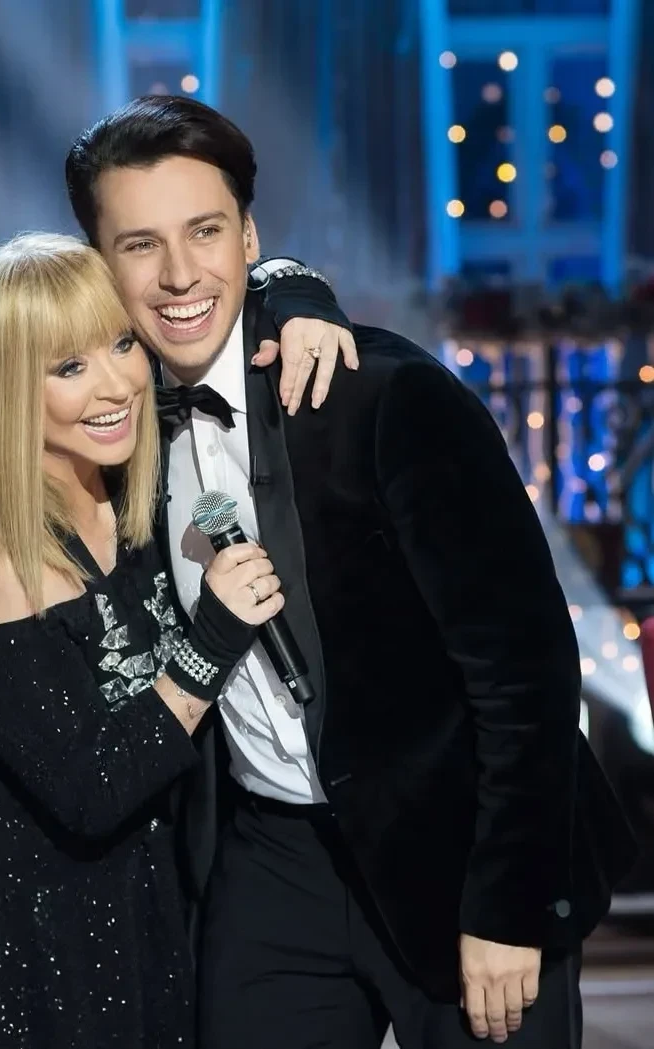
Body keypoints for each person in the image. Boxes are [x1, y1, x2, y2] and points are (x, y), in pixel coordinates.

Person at [56, 97, 637, 1049]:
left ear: (248, 237)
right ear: (99, 263)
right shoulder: (118, 430)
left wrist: (509, 901)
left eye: (204, 231)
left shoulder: (386, 398)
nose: (178, 274)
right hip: (271, 856)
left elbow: (527, 671)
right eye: (139, 245)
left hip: (457, 843)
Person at [0, 232, 333, 1048]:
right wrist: (212, 638)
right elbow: (93, 787)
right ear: (1, 389)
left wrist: (298, 291)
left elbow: (225, 288)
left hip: (118, 917)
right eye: (69, 366)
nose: (117, 383)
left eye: (122, 344)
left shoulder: (128, 473)